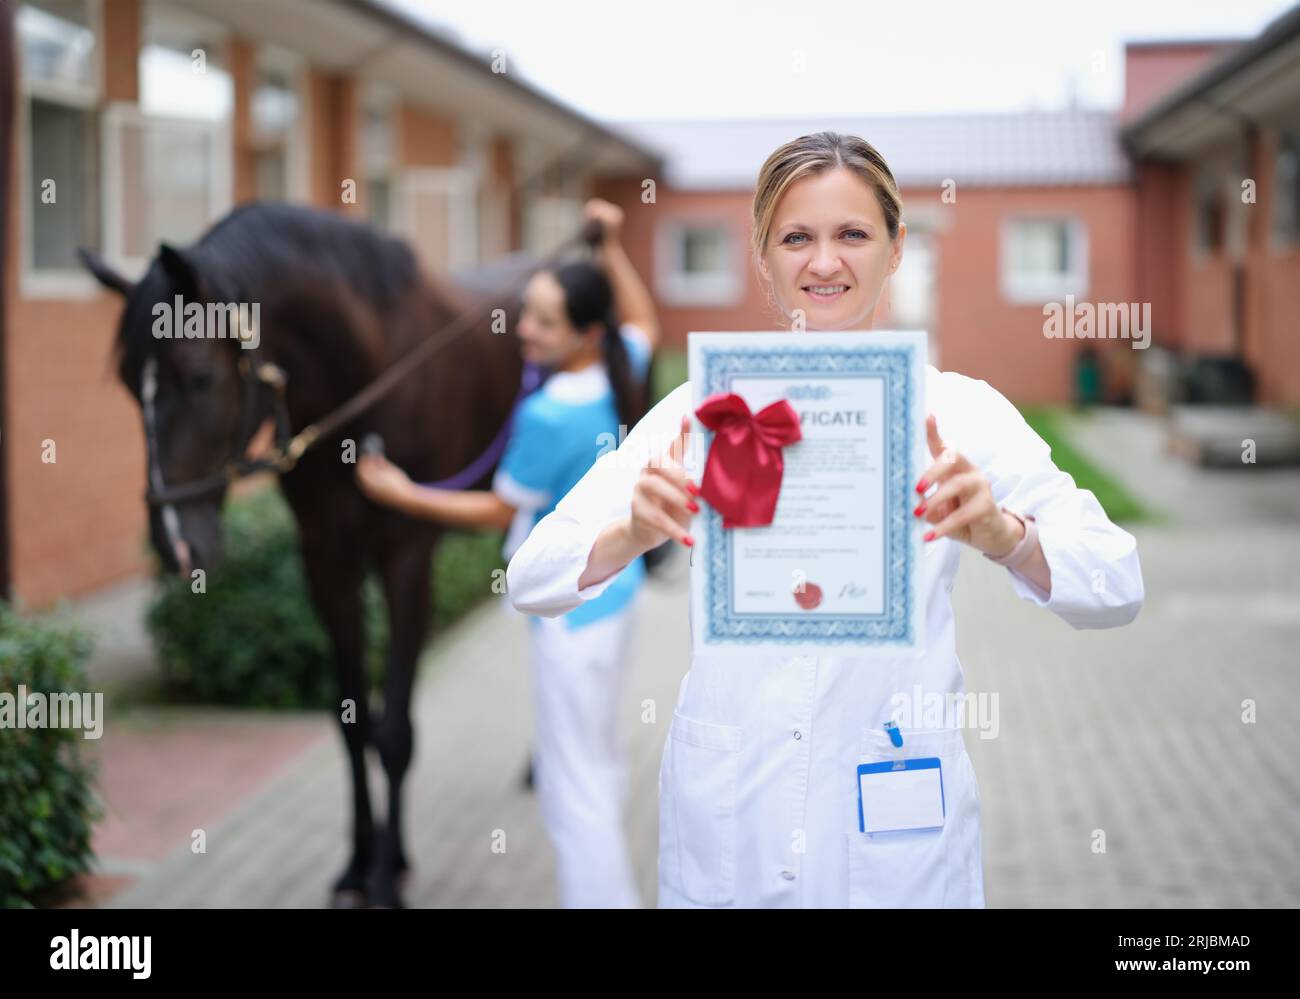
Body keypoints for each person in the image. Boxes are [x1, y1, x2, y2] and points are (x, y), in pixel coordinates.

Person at [504, 132, 1145, 908]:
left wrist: (1006, 537)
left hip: (898, 822)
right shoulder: (701, 411)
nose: (825, 262)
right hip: (735, 813)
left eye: (853, 234)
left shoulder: (959, 412)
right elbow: (532, 577)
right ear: (762, 255)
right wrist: (630, 535)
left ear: (897, 246)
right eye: (797, 237)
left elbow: (1117, 583)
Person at [356, 198, 660, 907]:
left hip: (569, 613)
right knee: (601, 759)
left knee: (572, 784)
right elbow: (641, 317)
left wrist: (402, 493)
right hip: (620, 593)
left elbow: (498, 507)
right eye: (525, 313)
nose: (521, 330)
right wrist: (613, 246)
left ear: (585, 332)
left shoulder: (550, 411)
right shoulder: (620, 366)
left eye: (542, 322)